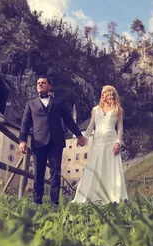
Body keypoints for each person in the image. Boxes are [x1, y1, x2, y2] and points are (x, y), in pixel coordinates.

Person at [19, 76, 86, 205]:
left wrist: (79, 135)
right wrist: (22, 140)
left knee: (55, 172)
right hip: (38, 142)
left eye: (43, 83)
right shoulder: (30, 104)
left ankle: (54, 202)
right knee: (38, 173)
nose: (40, 85)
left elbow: (68, 120)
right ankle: (37, 201)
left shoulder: (59, 103)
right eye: (38, 83)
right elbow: (25, 124)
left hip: (56, 141)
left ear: (49, 86)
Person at [72, 85, 128, 204]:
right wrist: (84, 138)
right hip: (98, 143)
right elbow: (91, 125)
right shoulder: (95, 110)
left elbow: (120, 128)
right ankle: (93, 196)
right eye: (101, 93)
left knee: (110, 168)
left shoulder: (118, 110)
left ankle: (112, 196)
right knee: (95, 167)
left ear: (110, 94)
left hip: (111, 142)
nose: (102, 95)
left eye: (104, 93)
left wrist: (118, 142)